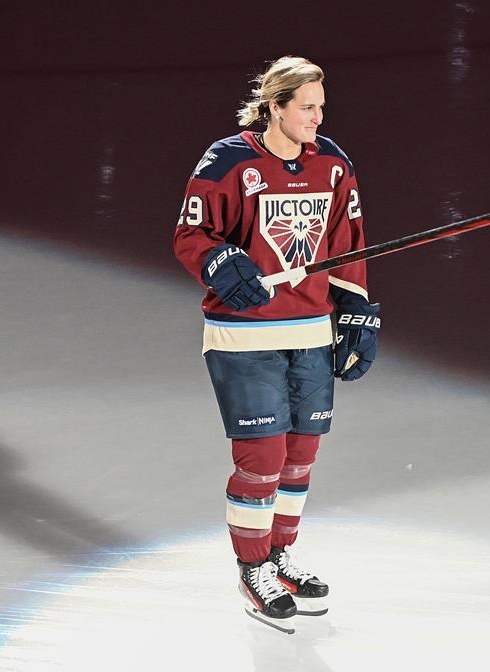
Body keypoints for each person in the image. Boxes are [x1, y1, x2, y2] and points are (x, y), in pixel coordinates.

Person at [173, 55, 381, 632]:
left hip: (310, 331)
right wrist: (219, 260)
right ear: (275, 106)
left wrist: (357, 309)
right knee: (261, 458)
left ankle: (280, 554)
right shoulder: (229, 161)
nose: (318, 117)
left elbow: (347, 241)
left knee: (301, 454)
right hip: (244, 337)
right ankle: (251, 568)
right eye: (307, 107)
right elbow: (192, 233)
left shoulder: (334, 165)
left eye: (321, 107)